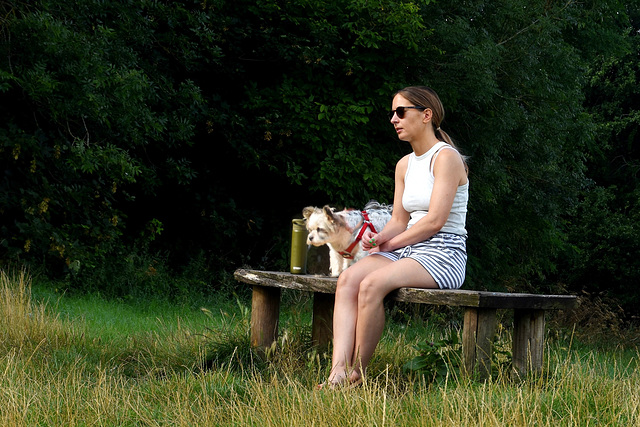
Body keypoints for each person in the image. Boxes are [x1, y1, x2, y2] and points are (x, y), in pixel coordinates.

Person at [318, 86, 469, 389]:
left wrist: (392, 243)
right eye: (392, 113)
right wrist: (377, 238)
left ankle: (355, 374)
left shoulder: (446, 159)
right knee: (348, 281)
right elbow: (400, 220)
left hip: (443, 253)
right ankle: (337, 371)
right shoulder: (404, 165)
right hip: (409, 248)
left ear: (427, 115)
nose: (394, 119)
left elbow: (435, 222)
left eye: (401, 112)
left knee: (373, 283)